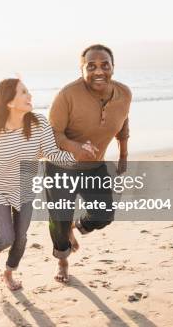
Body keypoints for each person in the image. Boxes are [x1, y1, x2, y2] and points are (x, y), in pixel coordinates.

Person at [0, 78, 76, 290]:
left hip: (25, 189)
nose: (30, 95)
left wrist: (76, 157)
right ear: (9, 101)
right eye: (24, 92)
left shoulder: (39, 123)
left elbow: (51, 153)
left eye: (28, 91)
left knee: (21, 238)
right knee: (7, 237)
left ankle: (8, 273)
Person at [47, 44, 131, 283]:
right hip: (60, 168)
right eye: (91, 66)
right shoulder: (67, 95)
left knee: (104, 215)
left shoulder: (124, 93)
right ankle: (62, 262)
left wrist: (123, 154)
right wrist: (76, 147)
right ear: (82, 69)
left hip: (94, 166)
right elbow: (52, 134)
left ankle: (74, 228)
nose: (99, 71)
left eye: (105, 65)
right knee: (59, 218)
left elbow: (123, 122)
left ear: (113, 67)